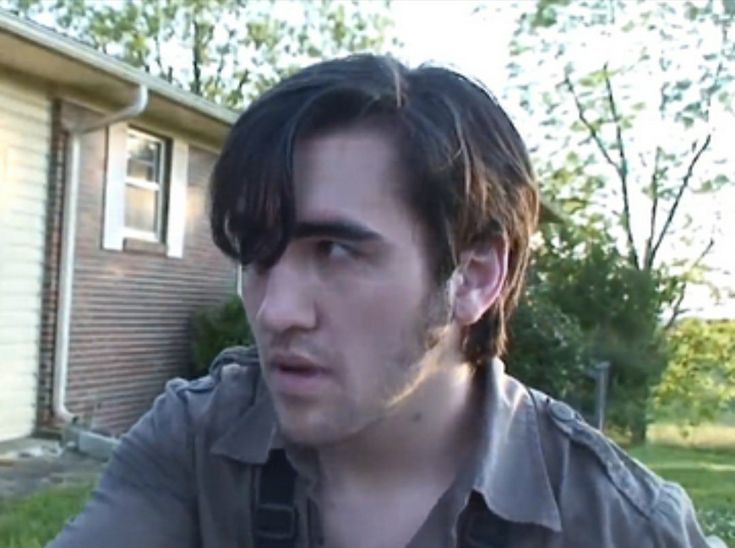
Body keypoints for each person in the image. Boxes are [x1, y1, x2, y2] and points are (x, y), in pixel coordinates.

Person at [50, 54, 718, 548]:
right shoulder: (198, 444)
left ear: (475, 275)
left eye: (335, 251)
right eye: (257, 254)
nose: (276, 310)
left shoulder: (616, 524)